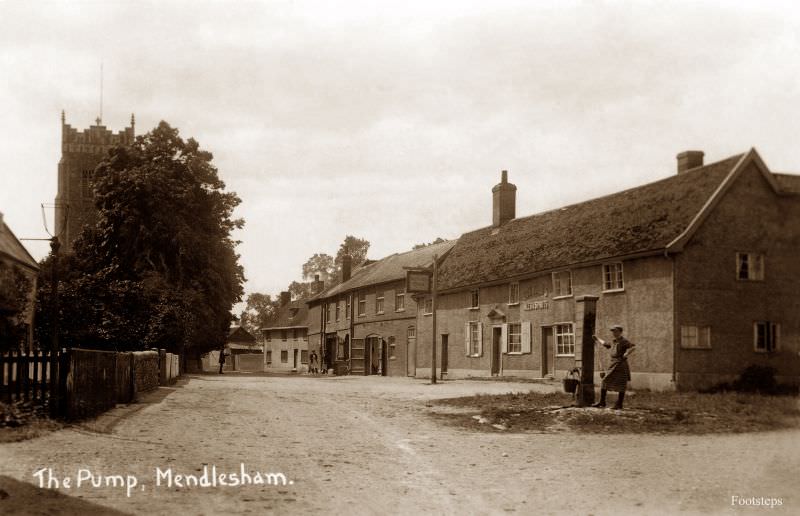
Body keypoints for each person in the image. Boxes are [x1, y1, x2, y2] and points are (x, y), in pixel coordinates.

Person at [592, 325, 635, 409]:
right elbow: (605, 344)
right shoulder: (614, 341)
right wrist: (597, 339)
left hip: (621, 365)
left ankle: (619, 404)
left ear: (620, 332)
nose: (613, 333)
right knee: (604, 381)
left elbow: (633, 347)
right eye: (613, 331)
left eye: (615, 331)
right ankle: (602, 402)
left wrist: (626, 354)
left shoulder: (624, 341)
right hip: (613, 364)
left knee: (621, 384)